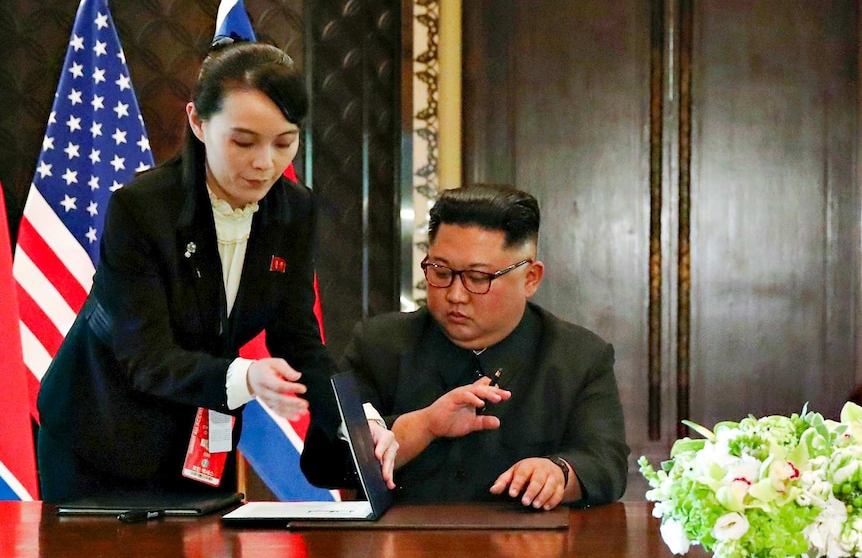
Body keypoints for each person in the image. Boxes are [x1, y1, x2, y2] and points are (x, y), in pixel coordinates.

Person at [36, 40, 396, 502]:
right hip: (102, 434)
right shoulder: (143, 208)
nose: (265, 163)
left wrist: (358, 422)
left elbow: (299, 340)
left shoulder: (294, 210)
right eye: (243, 141)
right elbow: (144, 357)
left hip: (204, 442)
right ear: (198, 123)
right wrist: (247, 377)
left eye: (285, 142)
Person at [302, 184, 629, 510]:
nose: (455, 294)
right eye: (441, 271)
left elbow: (606, 463)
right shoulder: (379, 344)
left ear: (530, 278)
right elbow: (322, 463)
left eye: (477, 277)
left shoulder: (579, 356)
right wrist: (423, 426)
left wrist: (558, 474)